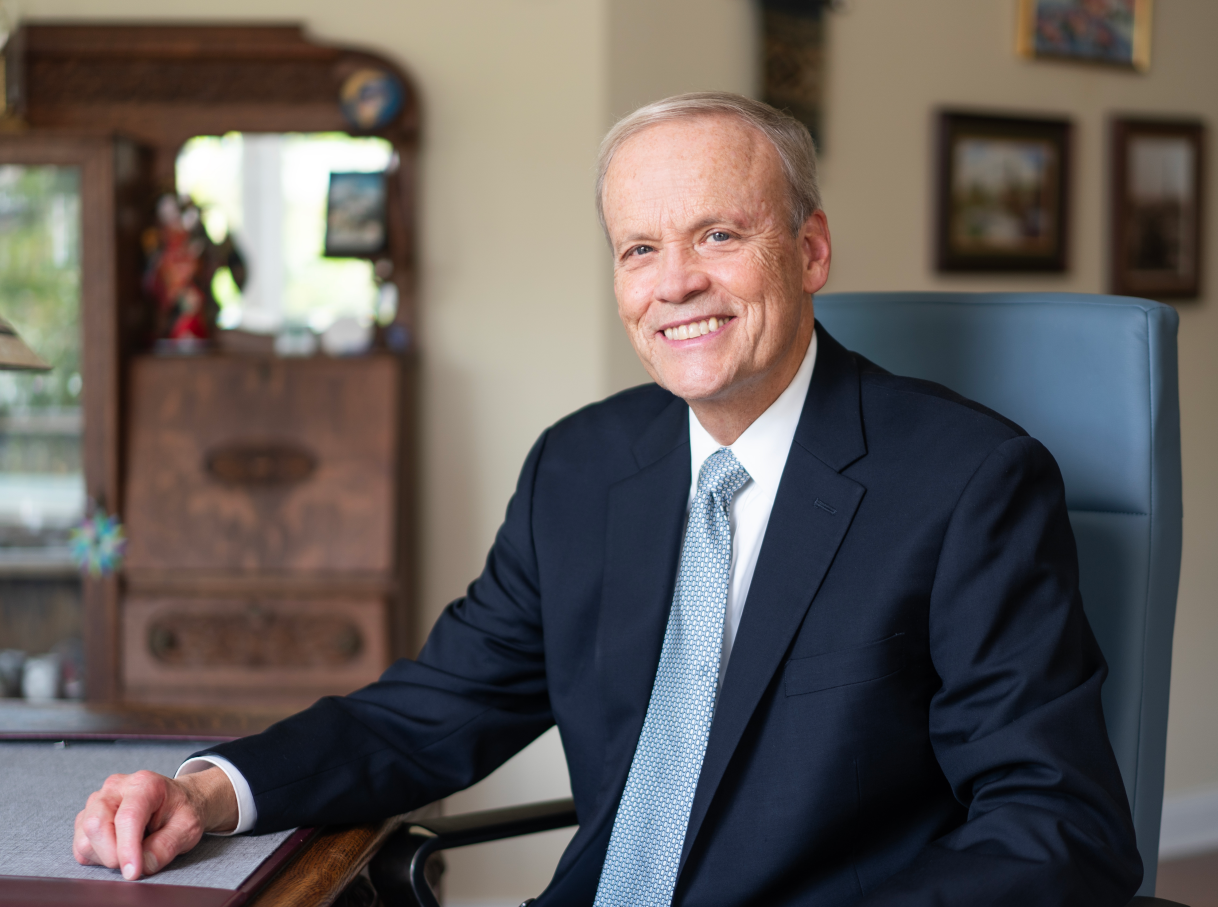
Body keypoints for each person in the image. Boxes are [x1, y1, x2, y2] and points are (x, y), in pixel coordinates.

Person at [73, 92, 1142, 906]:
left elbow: (1056, 829)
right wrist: (210, 791)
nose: (673, 282)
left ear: (808, 251)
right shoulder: (580, 469)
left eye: (718, 235)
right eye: (640, 248)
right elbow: (431, 714)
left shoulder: (966, 483)